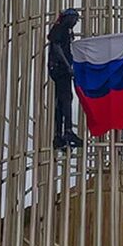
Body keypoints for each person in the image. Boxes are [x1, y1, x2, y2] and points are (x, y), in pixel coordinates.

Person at [47, 8, 83, 150]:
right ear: (67, 17)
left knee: (61, 102)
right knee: (67, 98)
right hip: (60, 69)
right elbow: (56, 47)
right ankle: (67, 131)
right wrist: (68, 66)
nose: (75, 22)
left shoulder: (64, 30)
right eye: (74, 18)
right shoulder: (59, 28)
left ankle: (58, 135)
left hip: (58, 68)